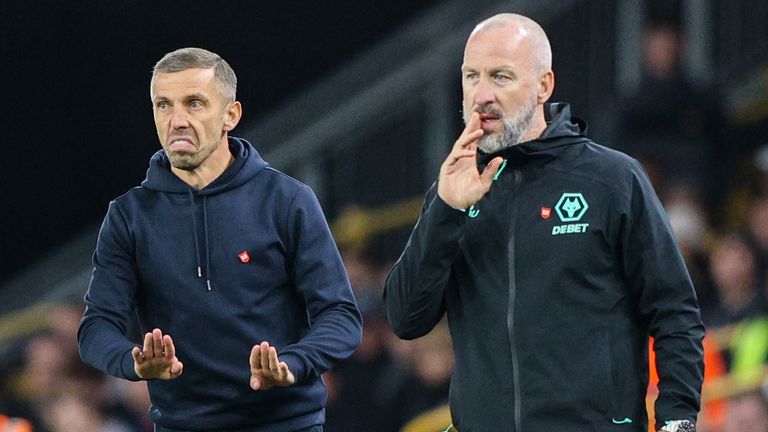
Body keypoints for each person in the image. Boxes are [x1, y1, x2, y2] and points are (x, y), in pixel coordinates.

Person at [383, 13, 704, 432]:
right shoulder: (454, 191)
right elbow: (406, 319)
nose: (481, 95)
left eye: (500, 77)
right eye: (471, 77)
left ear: (543, 86)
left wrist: (677, 422)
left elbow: (675, 311)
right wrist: (445, 211)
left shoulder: (611, 180)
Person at [78, 47, 362, 432]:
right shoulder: (130, 216)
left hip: (285, 423)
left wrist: (293, 365)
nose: (176, 120)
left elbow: (340, 316)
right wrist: (133, 362)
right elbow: (95, 328)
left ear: (231, 114)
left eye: (194, 103)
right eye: (164, 105)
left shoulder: (286, 200)